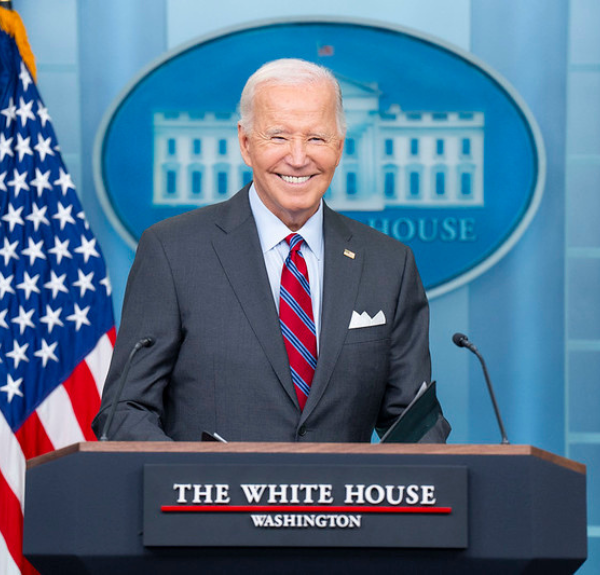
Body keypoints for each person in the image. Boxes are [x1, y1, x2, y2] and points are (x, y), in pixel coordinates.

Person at [92, 58, 450, 443]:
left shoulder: (388, 265)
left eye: (316, 138)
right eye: (278, 137)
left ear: (340, 147)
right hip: (209, 501)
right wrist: (188, 480)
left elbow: (414, 422)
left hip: (343, 503)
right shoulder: (172, 253)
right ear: (246, 144)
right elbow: (125, 411)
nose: (298, 158)